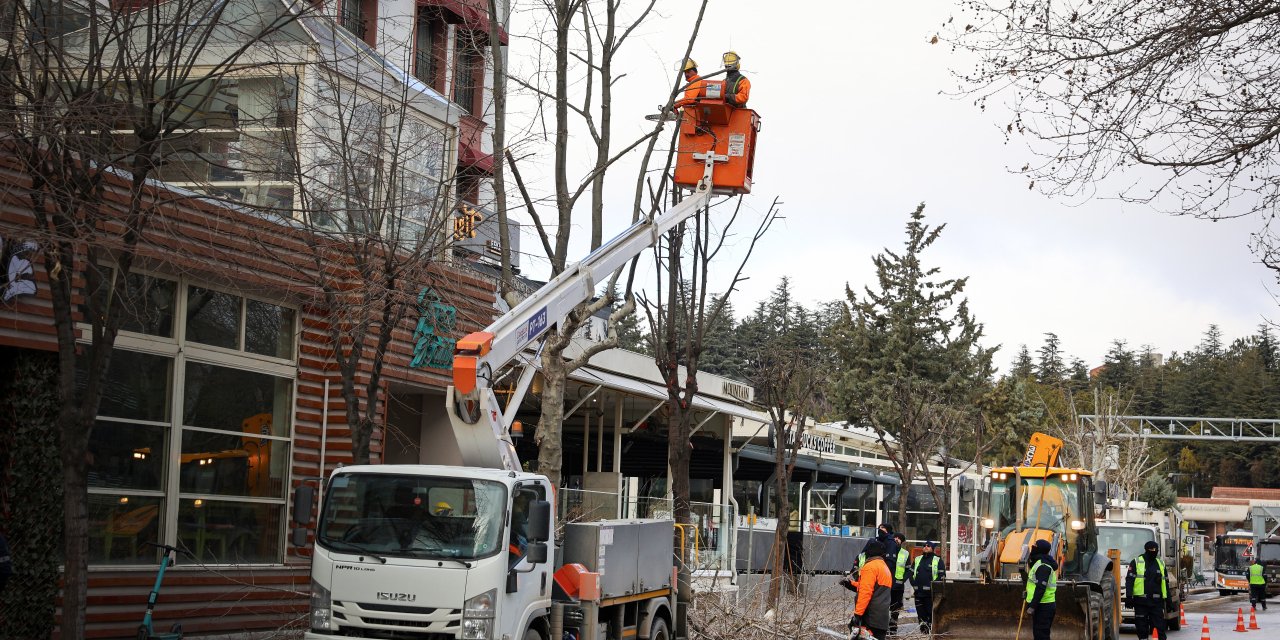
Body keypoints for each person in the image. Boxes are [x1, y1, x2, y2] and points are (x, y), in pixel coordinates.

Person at [842, 539, 892, 640]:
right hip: (881, 617)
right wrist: (850, 584)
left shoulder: (870, 567)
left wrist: (857, 615)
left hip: (870, 617)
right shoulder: (884, 568)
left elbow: (866, 592)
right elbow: (872, 588)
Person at [1126, 540, 1169, 640]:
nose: (1154, 552)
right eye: (1152, 550)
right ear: (1146, 550)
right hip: (1141, 602)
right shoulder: (1136, 562)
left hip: (1156, 603)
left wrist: (1169, 601)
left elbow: (1165, 584)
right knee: (1141, 629)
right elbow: (1129, 581)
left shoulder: (1161, 563)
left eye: (1156, 550)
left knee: (1159, 629)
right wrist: (1129, 596)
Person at [907, 540, 946, 634]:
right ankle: (924, 634)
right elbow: (911, 573)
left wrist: (932, 586)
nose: (925, 547)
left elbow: (941, 576)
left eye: (928, 546)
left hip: (930, 594)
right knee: (921, 616)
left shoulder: (937, 560)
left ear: (933, 549)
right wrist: (914, 584)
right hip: (918, 594)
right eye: (924, 545)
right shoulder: (917, 559)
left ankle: (932, 634)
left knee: (931, 615)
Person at [1024, 539, 1058, 640]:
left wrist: (1033, 606)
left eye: (1035, 546)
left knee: (1041, 635)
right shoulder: (1038, 563)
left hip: (1044, 606)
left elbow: (1040, 588)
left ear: (1039, 550)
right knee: (1038, 634)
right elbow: (1033, 583)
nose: (1032, 548)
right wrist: (1027, 593)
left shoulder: (1043, 566)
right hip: (1041, 604)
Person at [888, 533, 910, 637]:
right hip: (886, 586)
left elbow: (909, 570)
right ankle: (883, 629)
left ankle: (892, 630)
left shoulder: (905, 553)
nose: (896, 539)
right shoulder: (886, 551)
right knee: (884, 608)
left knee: (895, 610)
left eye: (899, 538)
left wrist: (902, 580)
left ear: (902, 541)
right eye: (895, 538)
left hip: (898, 587)